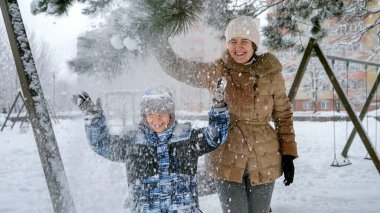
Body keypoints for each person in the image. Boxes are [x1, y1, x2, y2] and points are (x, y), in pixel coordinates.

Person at [149, 16, 298, 213]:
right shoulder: (218, 70)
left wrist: (288, 154)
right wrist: (159, 44)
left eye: (244, 41)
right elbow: (180, 68)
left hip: (264, 158)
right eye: (233, 41)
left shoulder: (271, 74)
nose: (238, 47)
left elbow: (283, 115)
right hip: (226, 156)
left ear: (254, 44)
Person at [72, 84, 230, 213]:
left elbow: (214, 137)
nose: (157, 119)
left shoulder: (186, 138)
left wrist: (218, 107)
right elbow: (103, 144)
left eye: (163, 112)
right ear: (144, 115)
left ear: (171, 114)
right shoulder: (133, 142)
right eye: (151, 114)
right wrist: (93, 119)